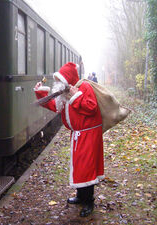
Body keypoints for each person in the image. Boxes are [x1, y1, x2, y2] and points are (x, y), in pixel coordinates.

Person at [34, 62, 104, 217]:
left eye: (60, 80)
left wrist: (75, 96)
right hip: (79, 135)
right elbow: (54, 106)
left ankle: (89, 201)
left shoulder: (84, 87)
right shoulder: (65, 92)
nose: (57, 84)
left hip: (89, 134)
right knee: (79, 166)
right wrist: (40, 92)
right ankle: (80, 196)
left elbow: (91, 108)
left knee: (87, 168)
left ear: (69, 79)